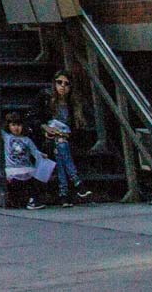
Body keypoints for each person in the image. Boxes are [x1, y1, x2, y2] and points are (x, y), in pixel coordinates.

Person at [34, 69, 94, 203]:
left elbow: (78, 128)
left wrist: (66, 134)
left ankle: (64, 192)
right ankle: (77, 182)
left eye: (66, 84)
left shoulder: (73, 104)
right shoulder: (46, 98)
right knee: (60, 146)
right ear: (54, 84)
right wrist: (45, 128)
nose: (62, 86)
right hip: (48, 137)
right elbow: (35, 118)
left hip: (66, 138)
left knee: (61, 145)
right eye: (59, 82)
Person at [0, 111, 49, 209]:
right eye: (13, 125)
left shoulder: (26, 139)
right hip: (13, 168)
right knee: (13, 182)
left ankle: (32, 201)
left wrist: (42, 155)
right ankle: (14, 200)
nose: (16, 128)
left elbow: (35, 152)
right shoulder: (7, 137)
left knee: (36, 177)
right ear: (9, 126)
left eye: (19, 125)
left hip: (26, 167)